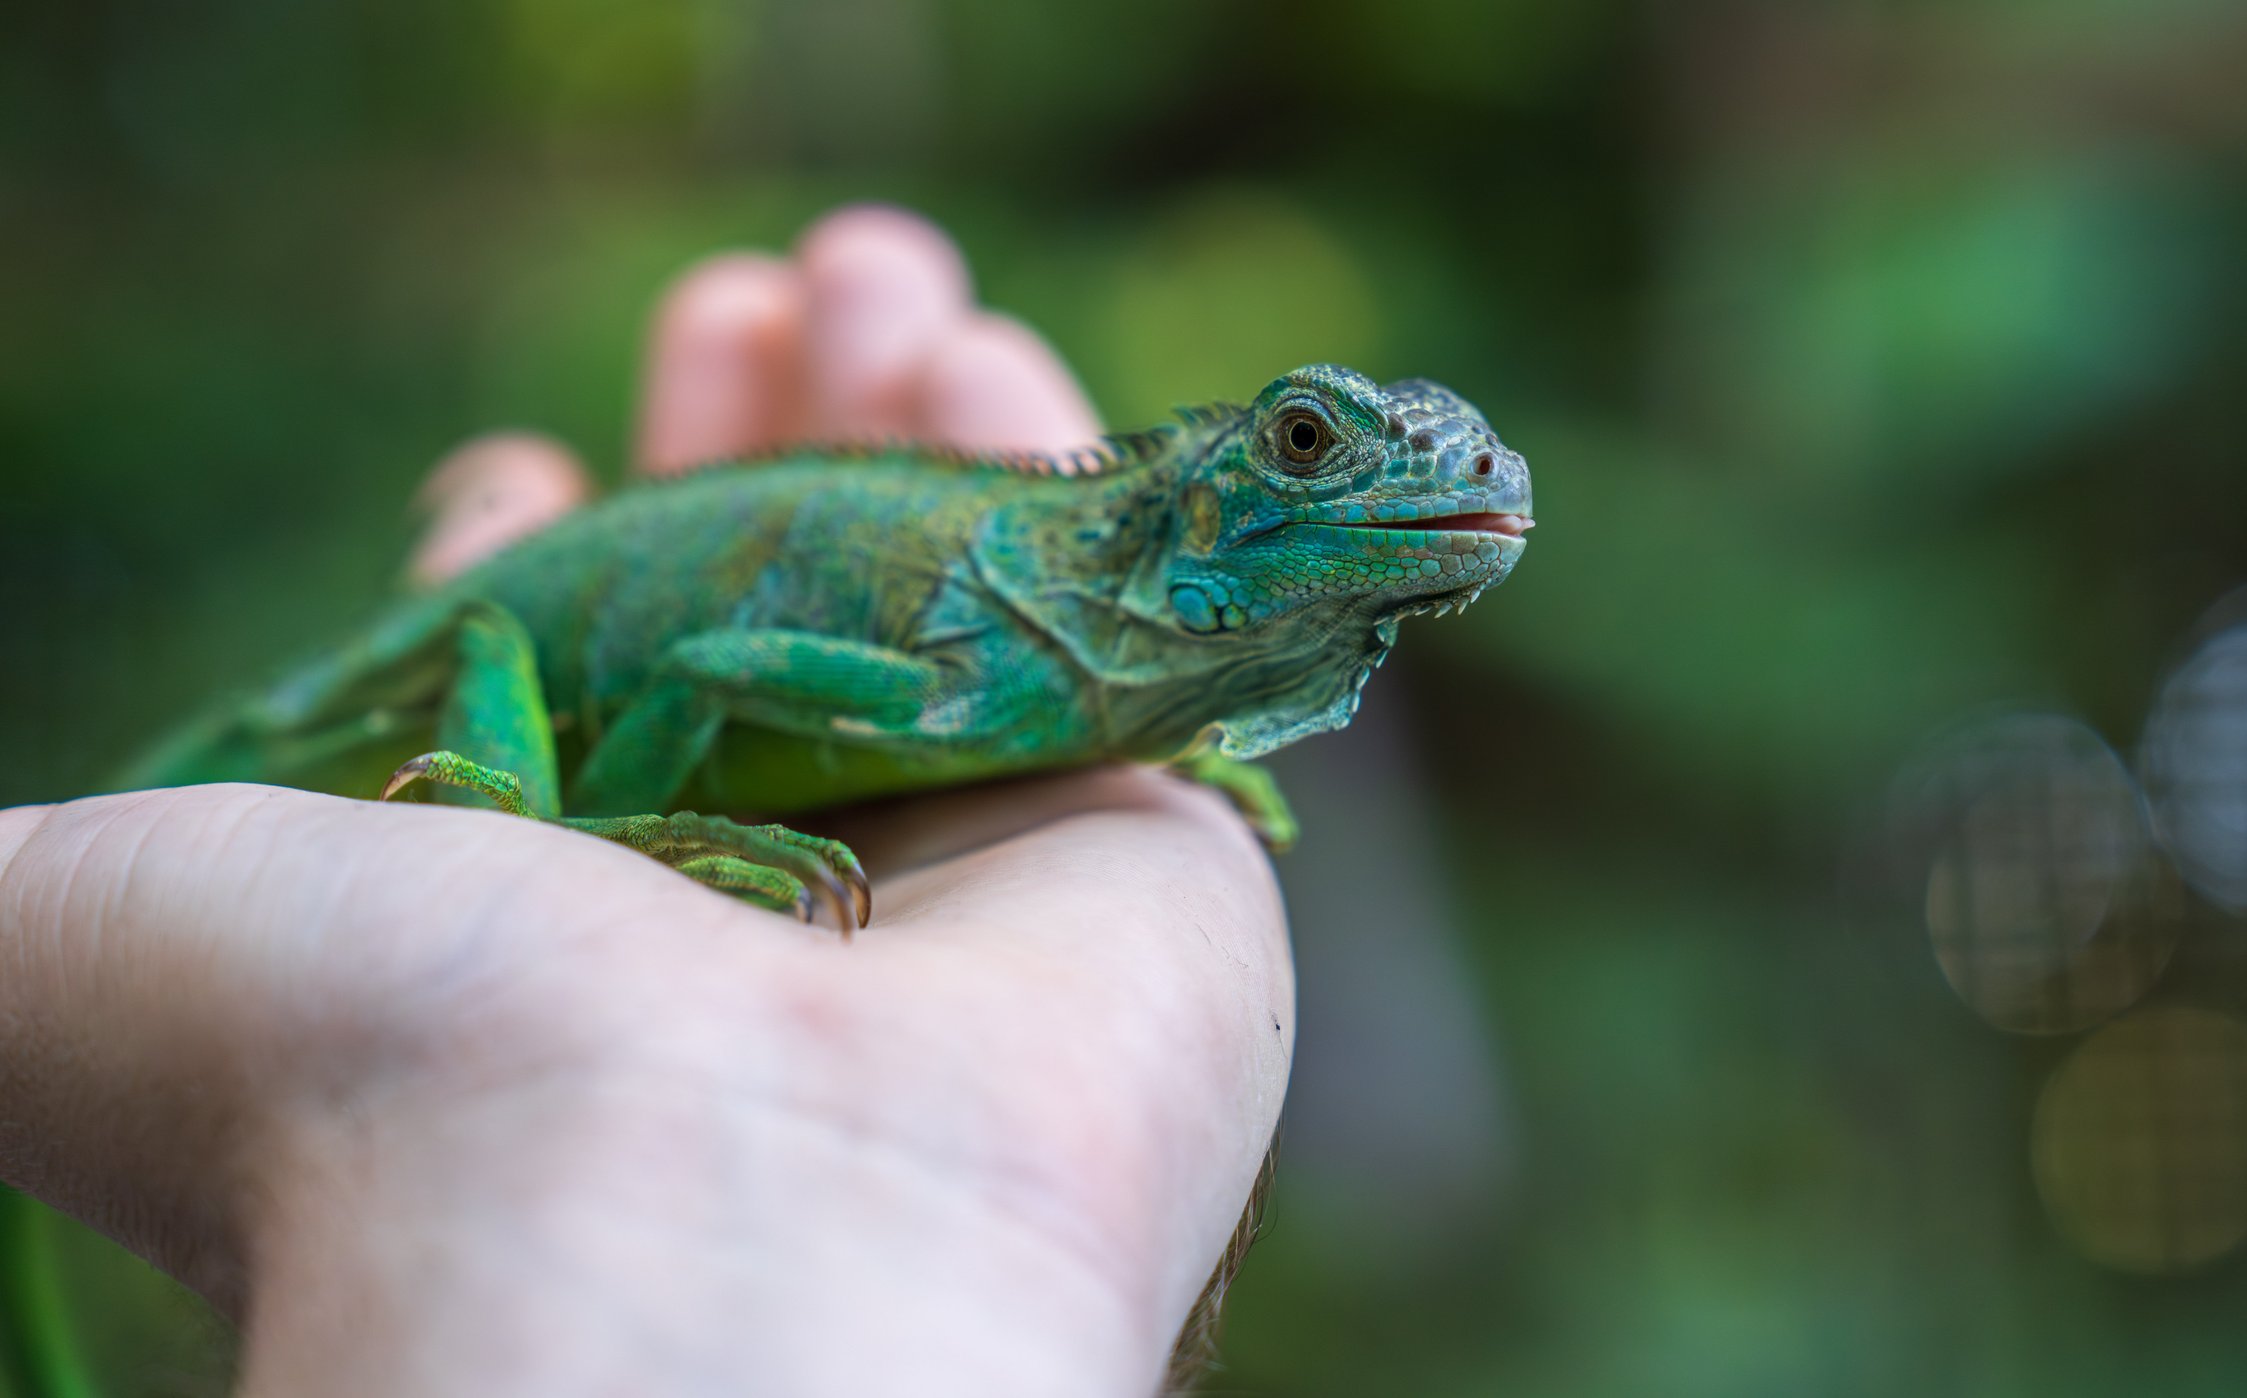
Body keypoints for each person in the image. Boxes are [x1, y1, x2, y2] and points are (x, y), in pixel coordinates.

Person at [0, 205, 1294, 1397]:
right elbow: (704, 665)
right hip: (499, 646)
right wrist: (597, 849)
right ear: (1206, 500)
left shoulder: (1101, 686)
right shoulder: (1002, 652)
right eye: (1307, 447)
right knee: (522, 640)